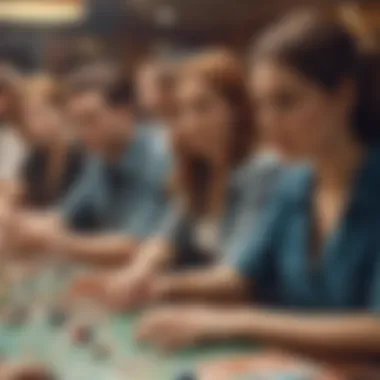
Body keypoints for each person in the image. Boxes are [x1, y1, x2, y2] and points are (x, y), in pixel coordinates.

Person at [133, 10, 380, 360]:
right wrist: (158, 286)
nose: (268, 123)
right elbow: (239, 277)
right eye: (261, 104)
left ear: (343, 94)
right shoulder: (293, 182)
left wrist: (237, 322)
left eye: (286, 101)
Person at [79, 49, 283, 309]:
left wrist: (158, 287)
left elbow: (236, 278)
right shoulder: (200, 170)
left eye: (203, 107)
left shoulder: (263, 170)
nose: (190, 122)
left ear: (238, 110)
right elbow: (164, 239)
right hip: (209, 315)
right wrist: (134, 273)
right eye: (183, 110)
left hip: (255, 321)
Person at [13, 77, 170, 265]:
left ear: (125, 112)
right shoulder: (99, 158)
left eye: (90, 119)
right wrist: (16, 225)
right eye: (77, 122)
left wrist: (59, 244)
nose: (82, 132)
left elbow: (134, 245)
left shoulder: (158, 157)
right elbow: (61, 217)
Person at [21, 75, 85, 208]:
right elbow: (27, 197)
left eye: (38, 113)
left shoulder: (81, 154)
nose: (31, 122)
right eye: (27, 114)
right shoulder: (37, 153)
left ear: (61, 111)